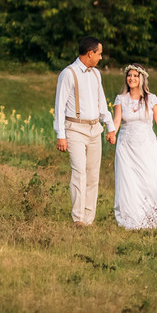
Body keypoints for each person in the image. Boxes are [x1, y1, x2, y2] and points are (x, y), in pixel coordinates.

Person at [54, 36, 117, 225]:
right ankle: (78, 219)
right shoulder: (68, 73)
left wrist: (110, 127)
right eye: (99, 54)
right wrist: (61, 135)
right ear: (90, 53)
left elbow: (102, 103)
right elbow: (59, 106)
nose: (100, 57)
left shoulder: (96, 74)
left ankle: (89, 219)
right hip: (74, 129)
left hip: (94, 129)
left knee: (92, 174)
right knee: (79, 172)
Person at [111, 63, 157, 229]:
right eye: (129, 75)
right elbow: (117, 120)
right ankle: (132, 218)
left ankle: (156, 216)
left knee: (151, 178)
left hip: (147, 145)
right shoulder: (121, 99)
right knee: (129, 181)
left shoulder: (151, 99)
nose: (131, 78)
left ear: (141, 78)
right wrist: (112, 132)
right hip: (126, 146)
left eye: (135, 75)